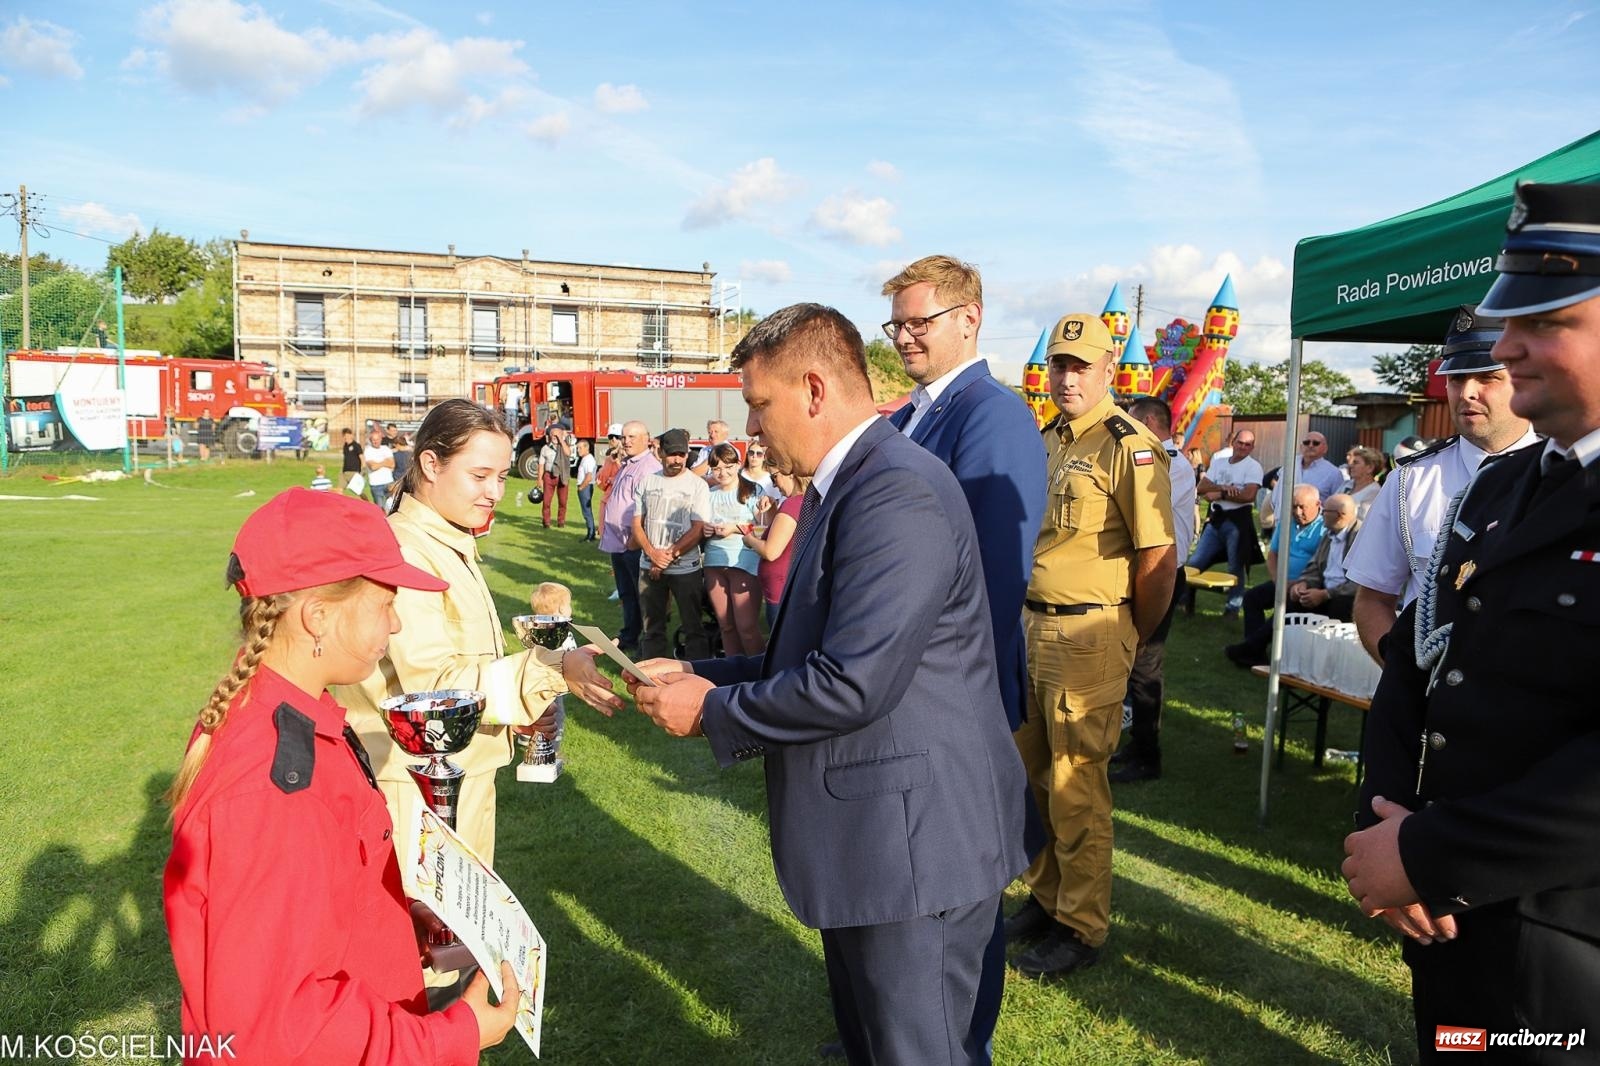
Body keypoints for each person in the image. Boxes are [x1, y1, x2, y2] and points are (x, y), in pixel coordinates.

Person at [630, 303, 1028, 1065]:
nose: (749, 428)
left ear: (813, 389)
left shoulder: (893, 490)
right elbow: (809, 657)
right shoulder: (847, 484)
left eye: (757, 403)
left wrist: (711, 710)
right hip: (879, 843)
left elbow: (852, 682)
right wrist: (696, 671)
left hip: (915, 851)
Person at [1342, 180, 1600, 1064]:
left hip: (1569, 948)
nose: (1508, 346)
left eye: (1545, 321)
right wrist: (1391, 822)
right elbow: (1420, 663)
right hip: (1454, 926)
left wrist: (1432, 852)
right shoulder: (1500, 488)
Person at [164, 487, 521, 1065]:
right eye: (385, 603)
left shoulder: (287, 717)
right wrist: (455, 1036)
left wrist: (392, 920)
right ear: (318, 617)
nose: (397, 622)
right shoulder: (275, 784)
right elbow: (282, 1030)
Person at [336, 400, 622, 987]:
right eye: (480, 475)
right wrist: (549, 668)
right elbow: (434, 690)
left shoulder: (444, 539)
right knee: (429, 963)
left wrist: (517, 704)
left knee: (456, 947)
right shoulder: (407, 549)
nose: (496, 490)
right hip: (415, 790)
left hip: (454, 779)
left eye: (501, 475)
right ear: (431, 464)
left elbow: (461, 666)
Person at [880, 253, 1048, 1052]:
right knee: (910, 888)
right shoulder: (917, 413)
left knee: (952, 889)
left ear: (969, 318)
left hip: (952, 692)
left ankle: (948, 1042)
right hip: (911, 690)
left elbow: (994, 572)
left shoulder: (991, 414)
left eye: (921, 322)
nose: (906, 337)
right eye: (898, 324)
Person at [1006, 312, 1175, 979]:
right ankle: (1046, 899)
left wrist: (1128, 632)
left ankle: (1081, 926)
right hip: (1031, 627)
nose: (1068, 376)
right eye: (1060, 364)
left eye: (1082, 365)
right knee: (1032, 778)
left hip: (1088, 634)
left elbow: (1158, 558)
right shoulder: (1049, 439)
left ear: (1110, 371)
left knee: (1077, 787)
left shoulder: (1128, 444)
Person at [1344, 306, 1538, 663]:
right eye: (1456, 379)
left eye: (1487, 377)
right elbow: (1373, 598)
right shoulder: (1409, 481)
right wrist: (1405, 681)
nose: (1467, 393)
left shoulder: (1565, 474)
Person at [1110, 396, 1196, 783]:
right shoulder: (1158, 458)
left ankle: (1148, 756)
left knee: (1146, 664)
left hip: (1161, 573)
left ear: (1147, 421)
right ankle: (1137, 745)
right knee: (1134, 660)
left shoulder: (1171, 462)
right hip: (1146, 570)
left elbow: (1140, 507)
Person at [1225, 492, 1359, 667]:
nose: (1297, 511)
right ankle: (1254, 650)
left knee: (1329, 606)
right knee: (1275, 600)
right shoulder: (1331, 533)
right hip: (1317, 588)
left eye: (1325, 511)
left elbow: (1359, 584)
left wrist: (1324, 594)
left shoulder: (1359, 538)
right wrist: (1304, 584)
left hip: (1344, 598)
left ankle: (1254, 650)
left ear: (1339, 515)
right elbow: (1314, 567)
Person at [633, 428, 712, 661]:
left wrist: (667, 556)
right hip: (649, 566)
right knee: (652, 628)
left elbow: (698, 528)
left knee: (693, 627)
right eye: (672, 454)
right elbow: (637, 524)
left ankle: (698, 678)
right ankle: (649, 681)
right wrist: (651, 554)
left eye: (682, 454)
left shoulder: (698, 486)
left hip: (686, 568)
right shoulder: (648, 482)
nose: (678, 460)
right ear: (661, 453)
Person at [1183, 428, 1263, 615]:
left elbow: (1248, 495)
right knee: (1195, 561)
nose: (1243, 447)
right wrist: (1226, 488)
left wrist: (1219, 493)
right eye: (1240, 442)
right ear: (1233, 442)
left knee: (1236, 565)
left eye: (1247, 444)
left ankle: (1233, 607)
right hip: (1216, 519)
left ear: (1252, 447)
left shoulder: (1253, 467)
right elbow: (1202, 488)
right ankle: (1185, 598)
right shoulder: (1219, 462)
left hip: (1238, 522)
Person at [599, 420, 661, 656]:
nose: (626, 441)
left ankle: (647, 641)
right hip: (619, 542)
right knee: (626, 592)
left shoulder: (647, 466)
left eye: (632, 437)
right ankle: (629, 635)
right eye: (624, 437)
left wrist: (636, 539)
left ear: (647, 439)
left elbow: (649, 508)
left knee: (641, 594)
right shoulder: (629, 463)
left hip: (632, 542)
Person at [701, 441, 765, 657]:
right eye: (717, 468)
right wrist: (706, 529)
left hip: (744, 562)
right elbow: (699, 525)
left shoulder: (753, 491)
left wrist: (735, 528)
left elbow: (763, 527)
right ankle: (732, 672)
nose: (722, 473)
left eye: (728, 467)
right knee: (726, 626)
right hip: (714, 562)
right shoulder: (709, 494)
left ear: (738, 464)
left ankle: (759, 672)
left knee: (746, 627)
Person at [743, 463, 806, 628]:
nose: (773, 483)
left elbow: (771, 551)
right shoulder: (800, 502)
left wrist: (748, 539)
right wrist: (772, 509)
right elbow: (781, 535)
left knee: (781, 649)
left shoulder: (792, 504)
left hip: (780, 590)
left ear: (790, 473)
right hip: (783, 588)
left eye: (774, 477)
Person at [1285, 430, 1346, 502]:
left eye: (1316, 443)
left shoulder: (1334, 473)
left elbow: (1337, 502)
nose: (1310, 445)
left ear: (1325, 448)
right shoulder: (1289, 466)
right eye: (1306, 442)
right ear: (1301, 447)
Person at [537, 426, 571, 528]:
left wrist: (561, 440)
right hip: (549, 475)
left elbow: (568, 453)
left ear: (561, 435)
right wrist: (539, 479)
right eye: (553, 435)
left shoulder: (565, 446)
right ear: (550, 436)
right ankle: (546, 522)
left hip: (562, 475)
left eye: (557, 435)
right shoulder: (545, 448)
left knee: (563, 501)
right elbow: (541, 465)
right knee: (546, 501)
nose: (555, 437)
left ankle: (561, 522)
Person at [1341, 445, 1383, 518]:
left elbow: (1363, 520)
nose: (1350, 465)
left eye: (1356, 463)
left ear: (1370, 468)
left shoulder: (1374, 492)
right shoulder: (1347, 484)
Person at [362, 426, 396, 511]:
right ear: (370, 440)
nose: (375, 441)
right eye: (373, 439)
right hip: (376, 484)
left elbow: (392, 464)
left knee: (392, 507)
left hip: (389, 482)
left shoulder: (386, 449)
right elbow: (373, 467)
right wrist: (385, 462)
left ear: (381, 439)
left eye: (377, 439)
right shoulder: (368, 451)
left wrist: (378, 463)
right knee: (380, 509)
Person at [575, 438, 598, 541]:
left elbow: (589, 476)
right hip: (584, 487)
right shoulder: (585, 459)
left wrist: (581, 487)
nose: (578, 450)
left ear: (586, 447)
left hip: (585, 488)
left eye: (580, 448)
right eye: (577, 448)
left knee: (587, 512)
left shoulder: (588, 459)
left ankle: (591, 534)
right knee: (586, 511)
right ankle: (590, 533)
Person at [340, 428, 363, 493]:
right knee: (340, 489)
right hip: (344, 472)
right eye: (344, 436)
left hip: (353, 472)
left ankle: (366, 502)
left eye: (347, 436)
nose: (346, 438)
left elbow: (362, 457)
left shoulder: (356, 445)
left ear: (351, 435)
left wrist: (362, 469)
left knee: (358, 492)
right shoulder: (345, 446)